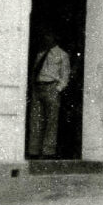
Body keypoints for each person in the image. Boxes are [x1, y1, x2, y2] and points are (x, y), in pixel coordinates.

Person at [28, 31, 71, 159]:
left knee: (51, 121)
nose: (45, 38)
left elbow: (65, 75)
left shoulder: (62, 55)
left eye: (48, 35)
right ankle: (34, 150)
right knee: (36, 120)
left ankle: (48, 151)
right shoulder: (40, 54)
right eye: (45, 35)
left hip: (51, 87)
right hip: (38, 87)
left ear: (54, 37)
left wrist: (57, 89)